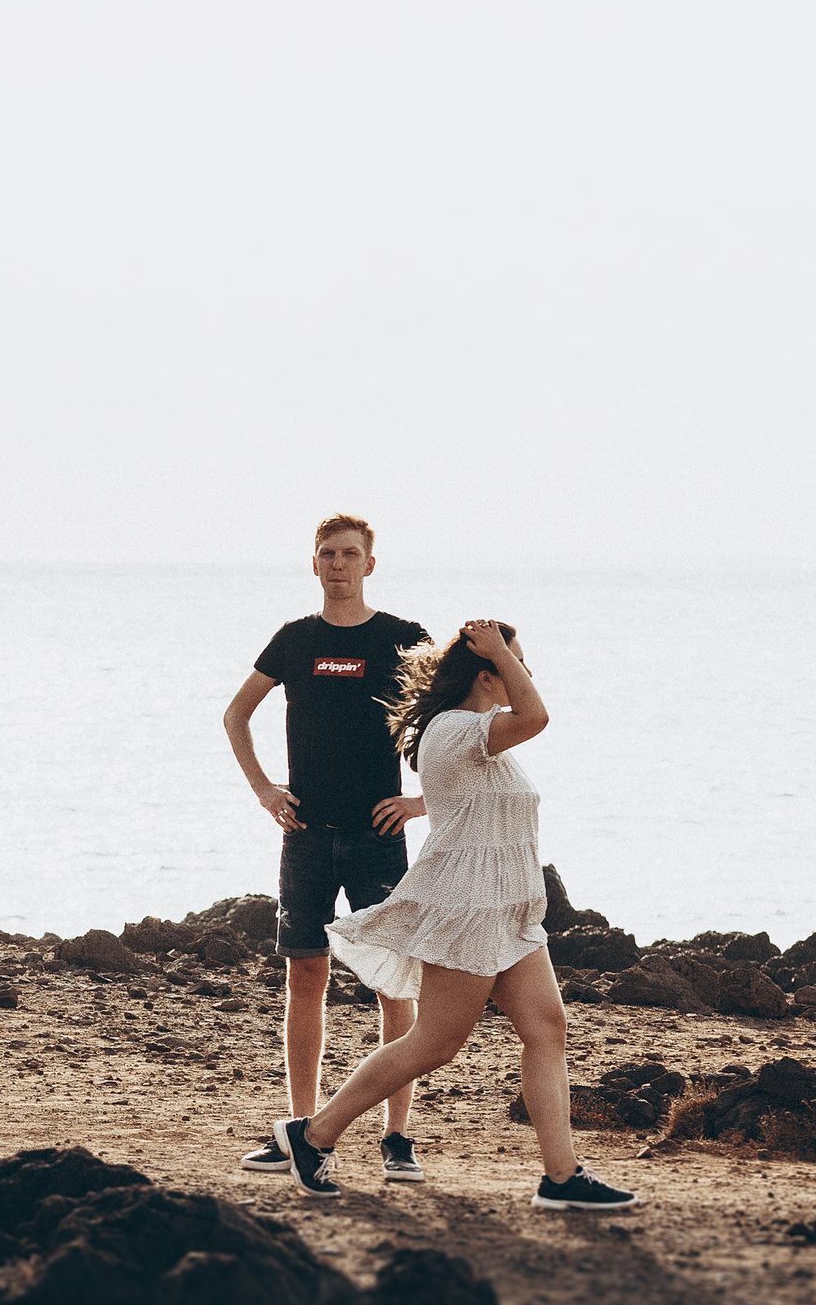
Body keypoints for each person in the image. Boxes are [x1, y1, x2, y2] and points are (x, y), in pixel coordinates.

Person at [271, 619, 639, 1211]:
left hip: (510, 912)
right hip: (467, 909)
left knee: (547, 1028)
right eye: (514, 662)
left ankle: (561, 1177)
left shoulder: (482, 736)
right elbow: (537, 716)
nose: (525, 672)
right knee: (435, 1043)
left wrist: (499, 655)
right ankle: (312, 1136)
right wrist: (496, 648)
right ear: (486, 673)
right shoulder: (455, 729)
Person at [222, 514, 431, 1183]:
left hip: (379, 837)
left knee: (392, 983)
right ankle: (301, 1131)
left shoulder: (403, 638)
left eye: (349, 554)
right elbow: (235, 714)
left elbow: (462, 721)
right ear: (314, 564)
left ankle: (397, 1137)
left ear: (369, 564)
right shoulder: (295, 640)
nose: (338, 563)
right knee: (304, 977)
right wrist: (264, 790)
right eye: (327, 554)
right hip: (307, 836)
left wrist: (423, 801)